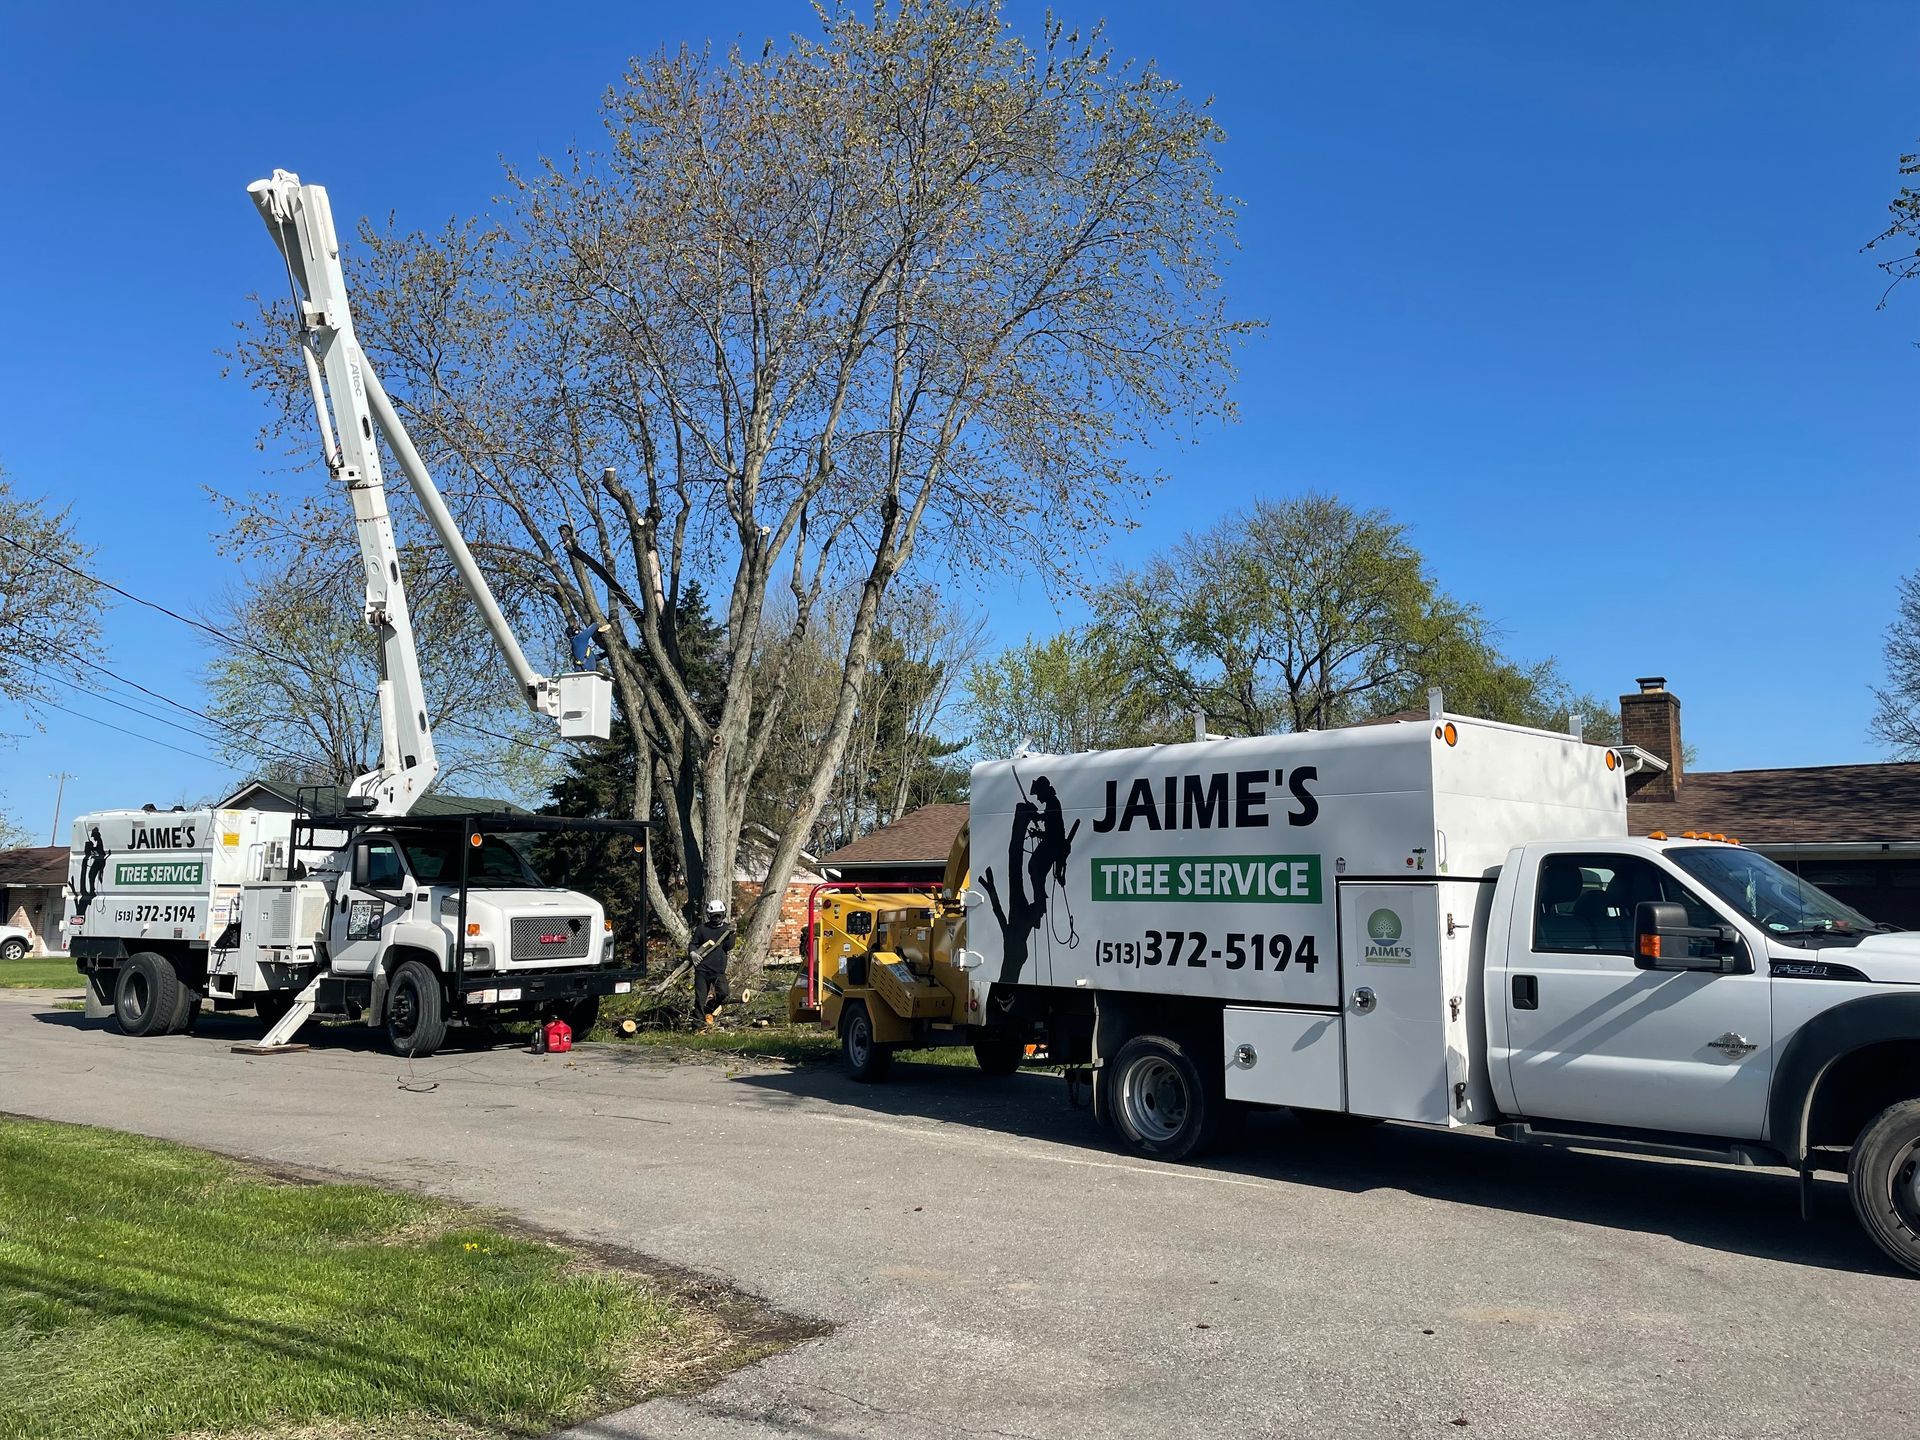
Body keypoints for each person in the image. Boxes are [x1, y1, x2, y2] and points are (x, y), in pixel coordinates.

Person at [690, 900, 734, 1026]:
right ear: (709, 915)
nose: (717, 918)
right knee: (700, 998)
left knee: (724, 993)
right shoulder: (702, 929)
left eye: (719, 915)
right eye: (714, 916)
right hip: (702, 970)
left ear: (723, 914)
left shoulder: (727, 929)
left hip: (718, 971)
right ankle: (697, 1024)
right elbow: (693, 944)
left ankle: (710, 1008)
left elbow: (728, 947)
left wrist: (731, 935)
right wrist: (693, 953)